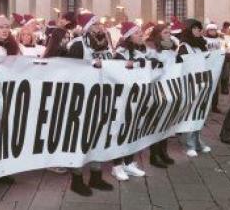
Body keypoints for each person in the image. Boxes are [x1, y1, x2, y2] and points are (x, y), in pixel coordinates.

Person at [66, 12, 114, 196]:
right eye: (95, 25)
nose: (100, 27)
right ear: (87, 28)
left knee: (100, 136)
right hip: (83, 99)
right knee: (80, 139)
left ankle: (96, 175)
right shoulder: (78, 45)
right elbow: (70, 71)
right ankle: (76, 180)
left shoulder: (105, 44)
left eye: (100, 24)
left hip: (103, 96)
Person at [110, 22, 147, 181]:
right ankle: (116, 165)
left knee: (133, 129)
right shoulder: (120, 53)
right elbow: (117, 73)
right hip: (122, 98)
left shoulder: (139, 52)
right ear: (129, 36)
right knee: (120, 130)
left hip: (136, 96)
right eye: (138, 33)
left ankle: (129, 161)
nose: (141, 35)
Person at [177, 18, 212, 157]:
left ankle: (197, 142)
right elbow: (180, 66)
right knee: (191, 114)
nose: (199, 31)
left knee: (200, 114)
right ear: (189, 30)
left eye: (200, 28)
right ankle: (190, 144)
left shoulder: (200, 45)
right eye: (196, 28)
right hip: (190, 85)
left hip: (202, 83)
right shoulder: (184, 46)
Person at [145, 23, 178, 167]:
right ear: (158, 34)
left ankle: (163, 152)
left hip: (170, 87)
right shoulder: (151, 48)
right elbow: (147, 66)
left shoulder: (171, 45)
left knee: (166, 121)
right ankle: (155, 154)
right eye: (165, 32)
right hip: (158, 88)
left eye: (169, 32)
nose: (168, 34)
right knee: (157, 122)